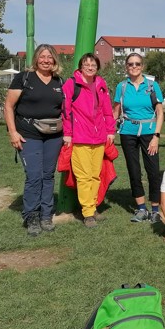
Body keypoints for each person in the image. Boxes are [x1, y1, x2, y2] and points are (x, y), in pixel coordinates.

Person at [4, 44, 64, 236]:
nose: (46, 60)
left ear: (54, 60)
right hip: (28, 133)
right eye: (42, 56)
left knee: (48, 175)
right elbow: (8, 106)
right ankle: (31, 216)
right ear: (36, 59)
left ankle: (46, 215)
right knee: (34, 176)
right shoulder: (24, 78)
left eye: (49, 57)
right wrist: (13, 132)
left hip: (54, 135)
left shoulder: (59, 81)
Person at [62, 53, 116, 228]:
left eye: (93, 65)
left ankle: (92, 206)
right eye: (87, 65)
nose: (90, 68)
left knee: (95, 176)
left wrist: (110, 130)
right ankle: (88, 213)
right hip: (80, 137)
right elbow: (65, 110)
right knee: (84, 177)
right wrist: (68, 133)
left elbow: (107, 110)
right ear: (81, 67)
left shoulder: (101, 83)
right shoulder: (72, 84)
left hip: (99, 137)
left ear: (97, 67)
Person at [113, 52, 164, 224]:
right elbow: (115, 111)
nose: (134, 67)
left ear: (142, 66)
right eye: (130, 64)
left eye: (137, 64)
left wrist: (156, 136)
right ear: (126, 67)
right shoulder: (122, 87)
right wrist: (109, 131)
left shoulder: (152, 85)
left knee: (153, 171)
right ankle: (141, 208)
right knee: (134, 170)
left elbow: (160, 113)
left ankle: (155, 210)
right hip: (128, 132)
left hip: (149, 132)